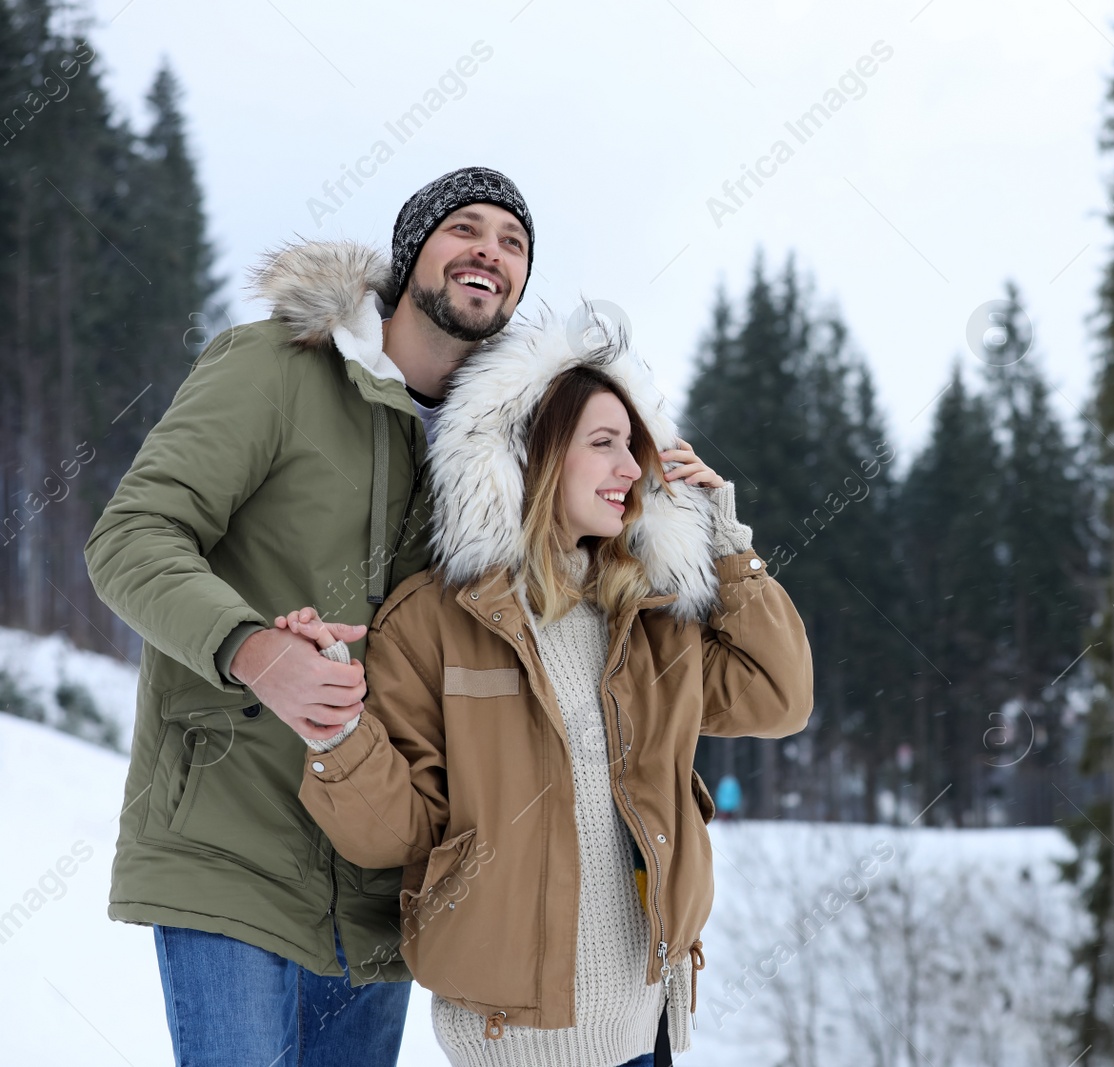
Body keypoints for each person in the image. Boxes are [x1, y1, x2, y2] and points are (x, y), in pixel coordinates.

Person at [83, 166, 535, 1067]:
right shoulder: (276, 365)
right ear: (412, 255)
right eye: (467, 228)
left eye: (514, 243)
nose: (491, 250)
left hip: (381, 876)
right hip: (232, 831)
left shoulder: (495, 456)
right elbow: (131, 537)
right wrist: (250, 648)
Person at [287, 316, 814, 1067]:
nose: (630, 466)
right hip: (511, 1044)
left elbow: (778, 697)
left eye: (635, 447)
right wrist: (336, 728)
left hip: (644, 1034)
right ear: (530, 454)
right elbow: (396, 832)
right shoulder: (435, 619)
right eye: (603, 442)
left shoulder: (650, 617)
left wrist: (725, 545)